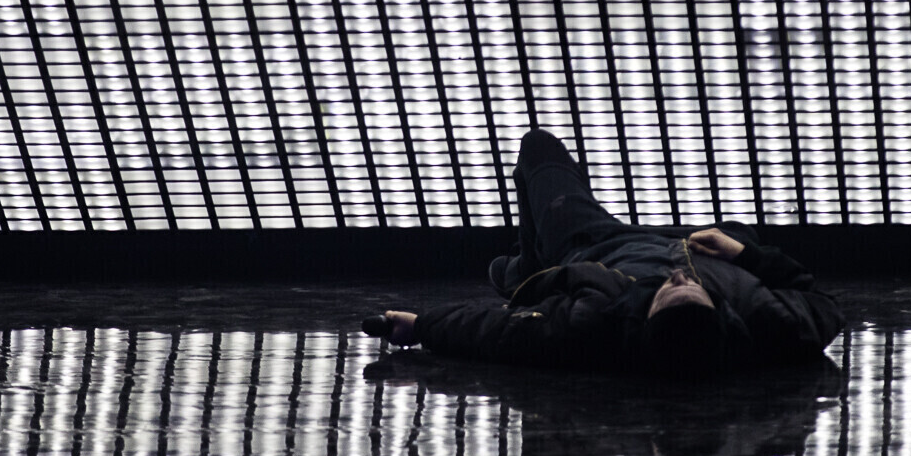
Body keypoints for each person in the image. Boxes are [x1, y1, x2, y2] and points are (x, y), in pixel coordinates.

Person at [362, 128, 844, 377]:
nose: (678, 279)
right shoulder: (768, 324)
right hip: (706, 244)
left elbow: (495, 333)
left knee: (538, 148)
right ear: (721, 311)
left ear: (644, 316)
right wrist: (744, 256)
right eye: (692, 290)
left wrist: (420, 326)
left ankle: (531, 266)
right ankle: (521, 268)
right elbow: (820, 302)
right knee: (743, 230)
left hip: (596, 244)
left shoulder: (591, 326)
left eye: (668, 292)